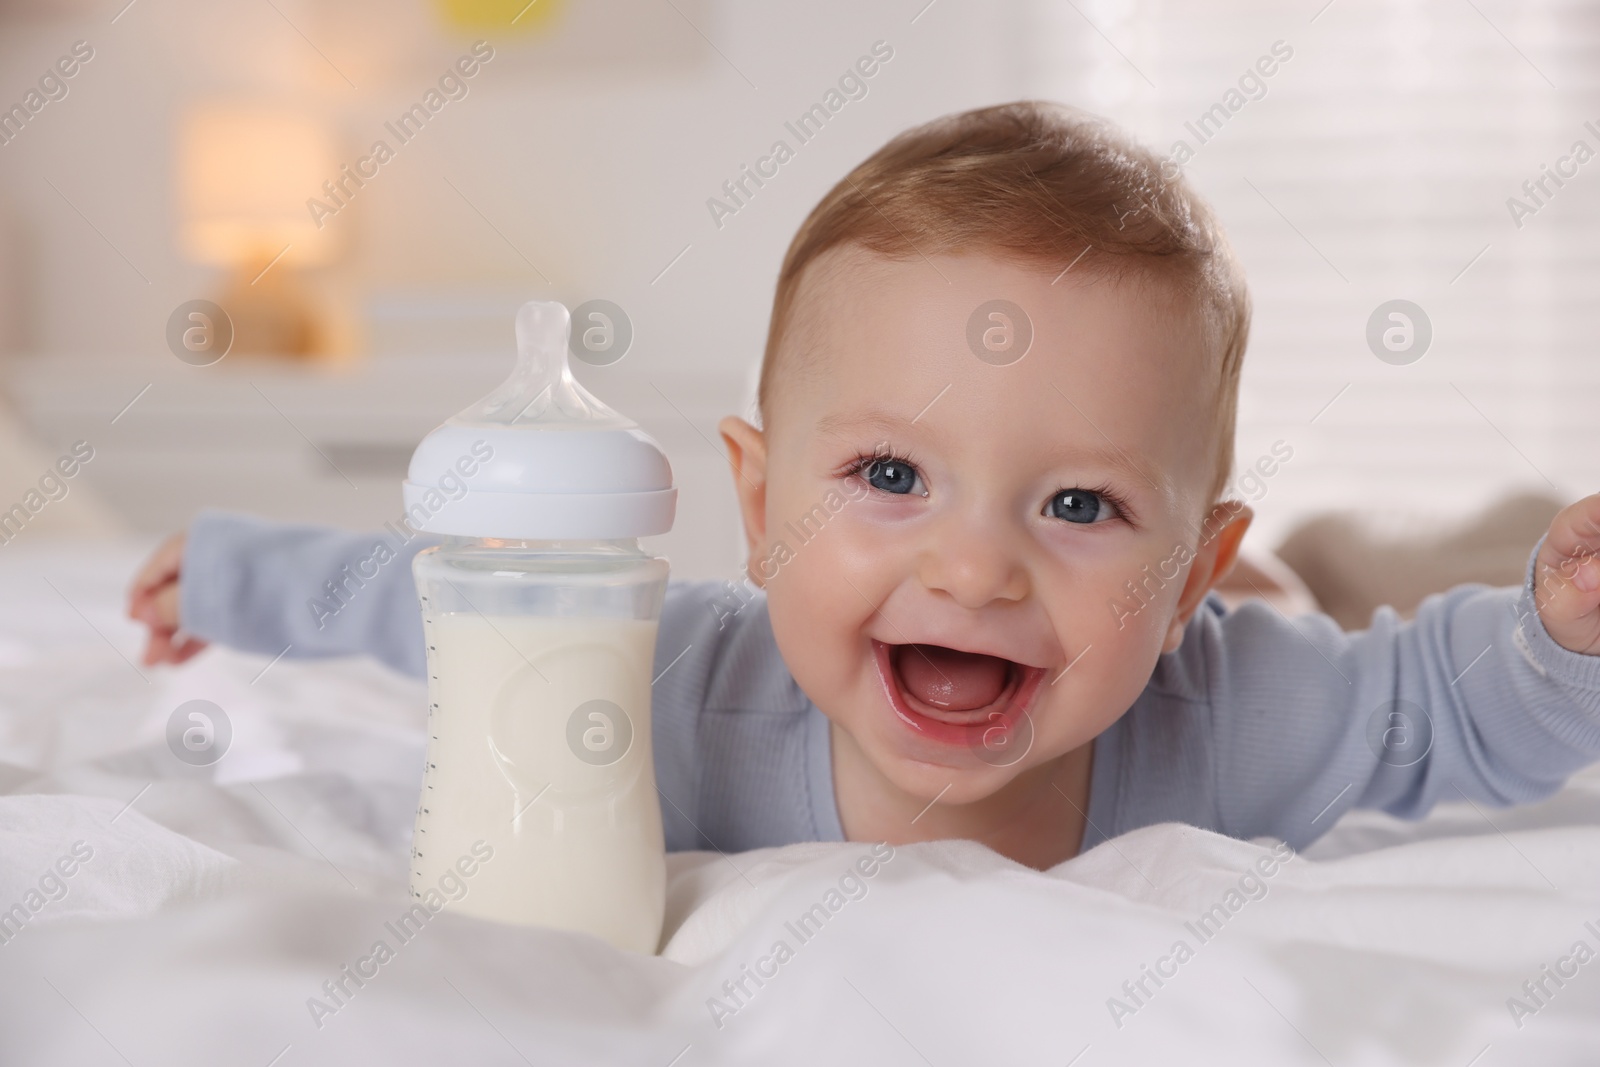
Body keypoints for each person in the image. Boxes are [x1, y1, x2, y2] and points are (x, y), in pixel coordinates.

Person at [128, 102, 1600, 871]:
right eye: (890, 475)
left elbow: (1443, 715)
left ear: (1190, 576)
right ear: (761, 509)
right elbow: (459, 604)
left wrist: (1560, 635)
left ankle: (1332, 564)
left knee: (1362, 589)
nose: (972, 571)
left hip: (1265, 610)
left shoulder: (1236, 714)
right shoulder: (670, 690)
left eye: (1076, 504)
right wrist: (238, 574)